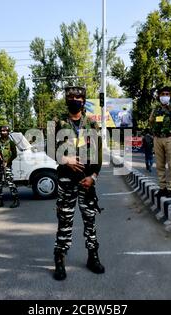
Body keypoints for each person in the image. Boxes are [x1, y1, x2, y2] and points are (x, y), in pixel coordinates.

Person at [52, 85, 104, 281]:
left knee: (90, 222)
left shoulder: (91, 124)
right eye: (70, 96)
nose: (74, 99)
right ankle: (59, 259)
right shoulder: (56, 123)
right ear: (66, 99)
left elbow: (98, 155)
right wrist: (66, 160)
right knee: (64, 222)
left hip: (87, 183)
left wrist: (93, 177)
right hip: (66, 182)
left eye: (77, 97)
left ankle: (93, 257)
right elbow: (49, 149)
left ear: (83, 101)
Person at [0, 125, 19, 208]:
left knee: (10, 183)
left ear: (8, 132)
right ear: (0, 132)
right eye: (2, 131)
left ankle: (16, 200)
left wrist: (8, 161)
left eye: (5, 131)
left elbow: (15, 155)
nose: (4, 132)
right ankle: (0, 202)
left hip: (7, 166)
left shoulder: (11, 143)